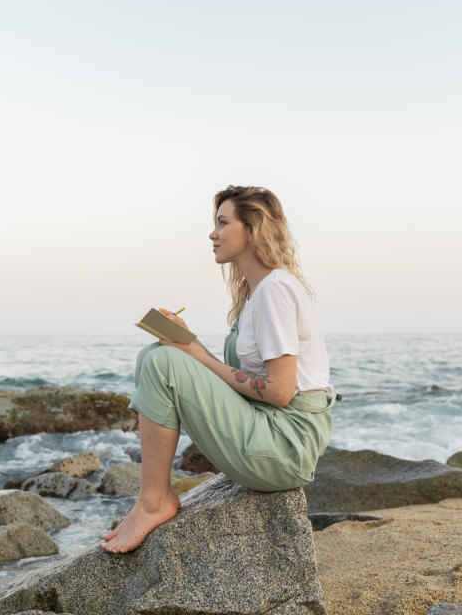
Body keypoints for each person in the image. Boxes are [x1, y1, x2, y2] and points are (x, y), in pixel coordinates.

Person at [101, 185, 335, 554]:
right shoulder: (259, 293)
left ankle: (153, 502)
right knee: (154, 355)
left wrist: (194, 355)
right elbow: (241, 380)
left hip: (285, 445)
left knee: (162, 363)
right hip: (270, 430)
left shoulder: (275, 291)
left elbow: (279, 391)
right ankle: (154, 495)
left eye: (223, 223)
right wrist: (186, 344)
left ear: (252, 229)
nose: (212, 233)